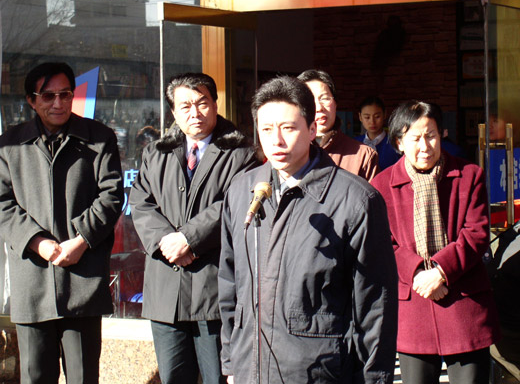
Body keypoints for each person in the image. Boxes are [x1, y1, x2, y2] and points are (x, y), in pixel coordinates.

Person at [219, 76, 398, 383]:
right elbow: (229, 284)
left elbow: (375, 306)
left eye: (288, 128)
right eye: (266, 129)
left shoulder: (356, 200)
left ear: (313, 129)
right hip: (250, 367)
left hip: (320, 372)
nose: (276, 140)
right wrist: (232, 363)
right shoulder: (241, 190)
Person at [129, 73, 258, 384]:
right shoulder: (156, 152)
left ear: (215, 104)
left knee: (218, 377)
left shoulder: (241, 153)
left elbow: (235, 203)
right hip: (166, 292)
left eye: (202, 103)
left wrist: (189, 238)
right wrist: (167, 242)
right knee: (173, 377)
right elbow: (141, 202)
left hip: (212, 290)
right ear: (173, 111)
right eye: (185, 106)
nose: (195, 113)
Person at [0, 62, 124, 383]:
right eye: (48, 96)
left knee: (83, 376)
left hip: (82, 279)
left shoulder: (99, 138)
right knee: (35, 376)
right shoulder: (9, 145)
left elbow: (111, 196)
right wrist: (36, 241)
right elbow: (2, 204)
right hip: (33, 281)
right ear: (31, 100)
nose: (58, 103)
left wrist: (81, 240)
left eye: (65, 94)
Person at [371, 100, 501, 384]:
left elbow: (477, 233)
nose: (425, 146)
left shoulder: (469, 175)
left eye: (430, 135)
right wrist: (419, 274)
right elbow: (383, 243)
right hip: (414, 302)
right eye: (415, 138)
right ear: (399, 142)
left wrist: (440, 271)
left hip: (463, 301)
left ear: (441, 134)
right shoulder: (381, 185)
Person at [297, 69, 379, 181]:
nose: (319, 108)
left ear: (335, 103)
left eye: (325, 98)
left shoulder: (363, 156)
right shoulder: (287, 153)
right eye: (310, 100)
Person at [355, 96, 400, 169]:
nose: (372, 122)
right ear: (360, 117)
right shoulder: (355, 143)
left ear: (384, 114)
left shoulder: (395, 144)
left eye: (377, 116)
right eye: (367, 117)